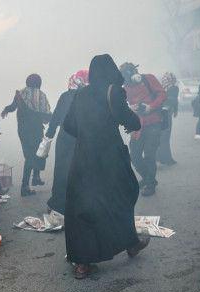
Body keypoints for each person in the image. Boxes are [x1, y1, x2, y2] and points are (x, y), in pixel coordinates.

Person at [64, 54, 150, 279]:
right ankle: (130, 243)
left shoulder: (80, 93)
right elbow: (129, 120)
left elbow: (69, 125)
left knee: (83, 206)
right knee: (123, 196)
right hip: (109, 158)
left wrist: (87, 135)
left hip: (82, 159)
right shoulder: (114, 91)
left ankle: (82, 262)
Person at [45, 69, 88, 214]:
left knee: (62, 170)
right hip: (85, 138)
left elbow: (56, 117)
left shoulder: (65, 96)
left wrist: (49, 135)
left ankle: (58, 204)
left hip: (66, 138)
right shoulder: (90, 98)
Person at [120, 62, 167, 196]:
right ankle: (148, 178)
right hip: (137, 125)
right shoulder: (125, 87)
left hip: (153, 122)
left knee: (149, 155)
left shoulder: (148, 79)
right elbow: (122, 104)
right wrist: (131, 108)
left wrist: (150, 106)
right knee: (134, 156)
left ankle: (150, 183)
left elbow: (162, 94)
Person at [1, 74, 52, 196]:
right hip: (36, 130)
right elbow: (47, 115)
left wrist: (5, 110)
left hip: (23, 130)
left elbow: (13, 107)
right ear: (39, 83)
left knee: (30, 155)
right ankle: (25, 186)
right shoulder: (41, 95)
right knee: (37, 153)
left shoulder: (21, 94)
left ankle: (35, 178)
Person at [157, 72, 179, 166]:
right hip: (166, 114)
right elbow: (173, 99)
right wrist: (174, 110)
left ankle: (160, 157)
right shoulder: (173, 87)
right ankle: (166, 159)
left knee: (160, 136)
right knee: (165, 136)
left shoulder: (160, 87)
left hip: (158, 113)